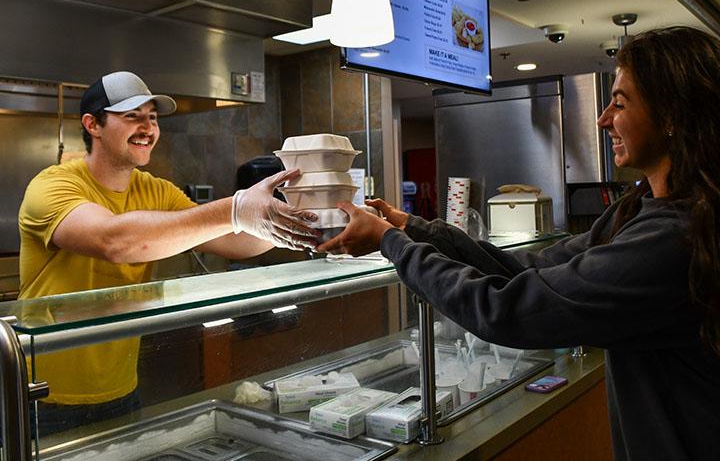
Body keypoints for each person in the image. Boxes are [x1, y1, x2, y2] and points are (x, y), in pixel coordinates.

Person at [318, 27, 720, 460]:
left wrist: (390, 243)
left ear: (674, 115)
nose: (603, 119)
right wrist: (414, 228)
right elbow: (535, 269)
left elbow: (506, 309)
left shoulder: (672, 239)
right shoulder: (640, 208)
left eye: (619, 103)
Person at [18, 70, 319, 433]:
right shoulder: (52, 186)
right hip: (44, 396)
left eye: (153, 117)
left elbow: (236, 242)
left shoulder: (156, 190)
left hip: (122, 389)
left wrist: (294, 220)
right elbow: (116, 242)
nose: (147, 127)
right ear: (92, 125)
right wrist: (237, 208)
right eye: (132, 116)